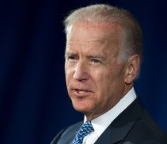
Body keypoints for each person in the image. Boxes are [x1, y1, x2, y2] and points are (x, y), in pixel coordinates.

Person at [51, 4, 167, 144]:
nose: (78, 74)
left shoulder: (148, 141)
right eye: (72, 58)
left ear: (130, 69)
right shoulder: (64, 137)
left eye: (94, 60)